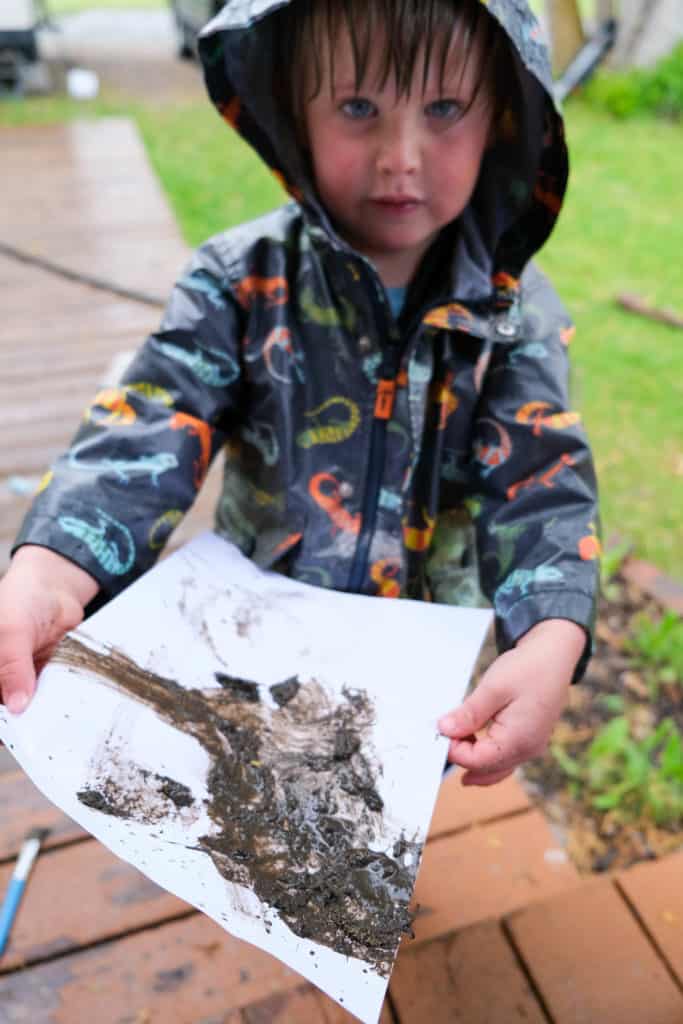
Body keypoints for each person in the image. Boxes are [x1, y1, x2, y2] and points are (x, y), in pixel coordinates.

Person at [0, 0, 600, 787]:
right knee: (255, 816)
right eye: (358, 107)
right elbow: (150, 421)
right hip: (257, 636)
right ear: (292, 111)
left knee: (375, 812)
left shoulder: (514, 314)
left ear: (504, 121)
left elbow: (543, 480)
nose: (400, 156)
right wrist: (51, 567)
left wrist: (550, 635)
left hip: (422, 652)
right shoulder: (239, 279)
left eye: (444, 108)